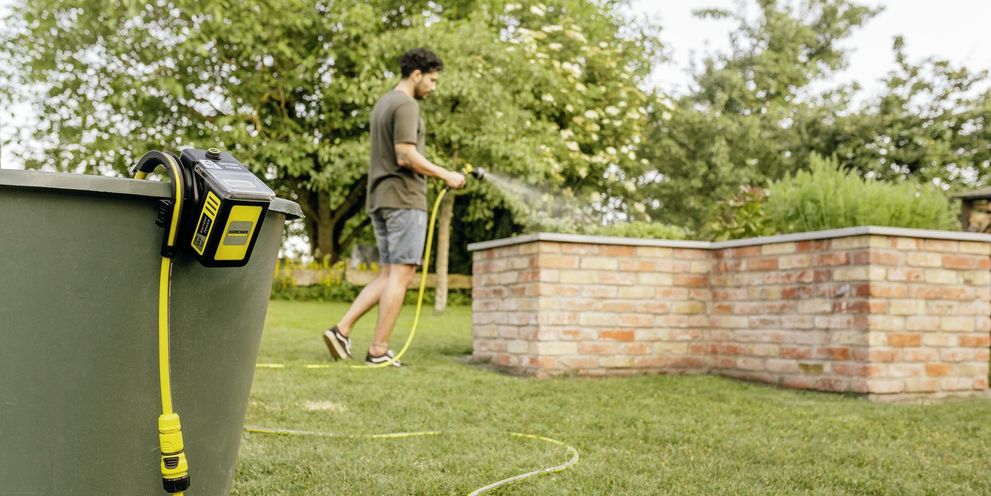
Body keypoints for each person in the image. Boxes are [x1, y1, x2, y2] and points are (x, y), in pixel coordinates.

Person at [323, 48, 465, 367]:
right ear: (416, 75)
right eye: (432, 80)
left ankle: (342, 330)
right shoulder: (406, 104)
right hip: (403, 198)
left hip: (381, 198)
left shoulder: (384, 103)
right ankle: (378, 350)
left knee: (389, 274)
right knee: (402, 275)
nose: (433, 87)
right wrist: (447, 174)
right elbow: (405, 155)